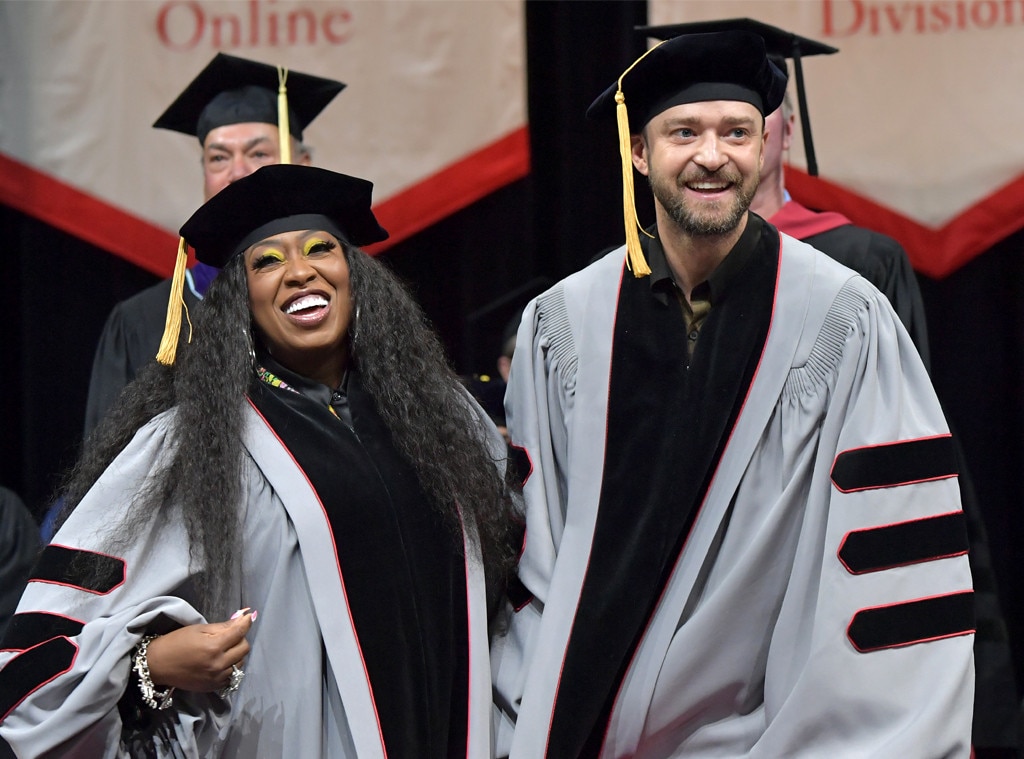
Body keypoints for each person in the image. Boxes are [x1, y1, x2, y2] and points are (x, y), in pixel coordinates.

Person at [490, 29, 975, 757]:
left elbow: (889, 557)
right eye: (684, 131)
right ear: (639, 151)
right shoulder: (562, 327)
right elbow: (537, 552)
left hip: (774, 731)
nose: (712, 155)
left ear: (766, 144)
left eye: (736, 132)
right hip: (588, 727)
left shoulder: (843, 318)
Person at [0, 164, 520, 757]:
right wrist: (150, 661)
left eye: (321, 248)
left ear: (355, 274)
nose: (300, 272)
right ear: (239, 299)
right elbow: (40, 651)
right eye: (266, 261)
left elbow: (521, 577)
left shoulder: (442, 417)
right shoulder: (196, 446)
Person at [83, 52, 344, 438]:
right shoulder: (145, 322)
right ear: (204, 174)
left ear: (302, 165)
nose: (237, 173)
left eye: (258, 154)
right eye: (219, 157)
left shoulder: (343, 296)